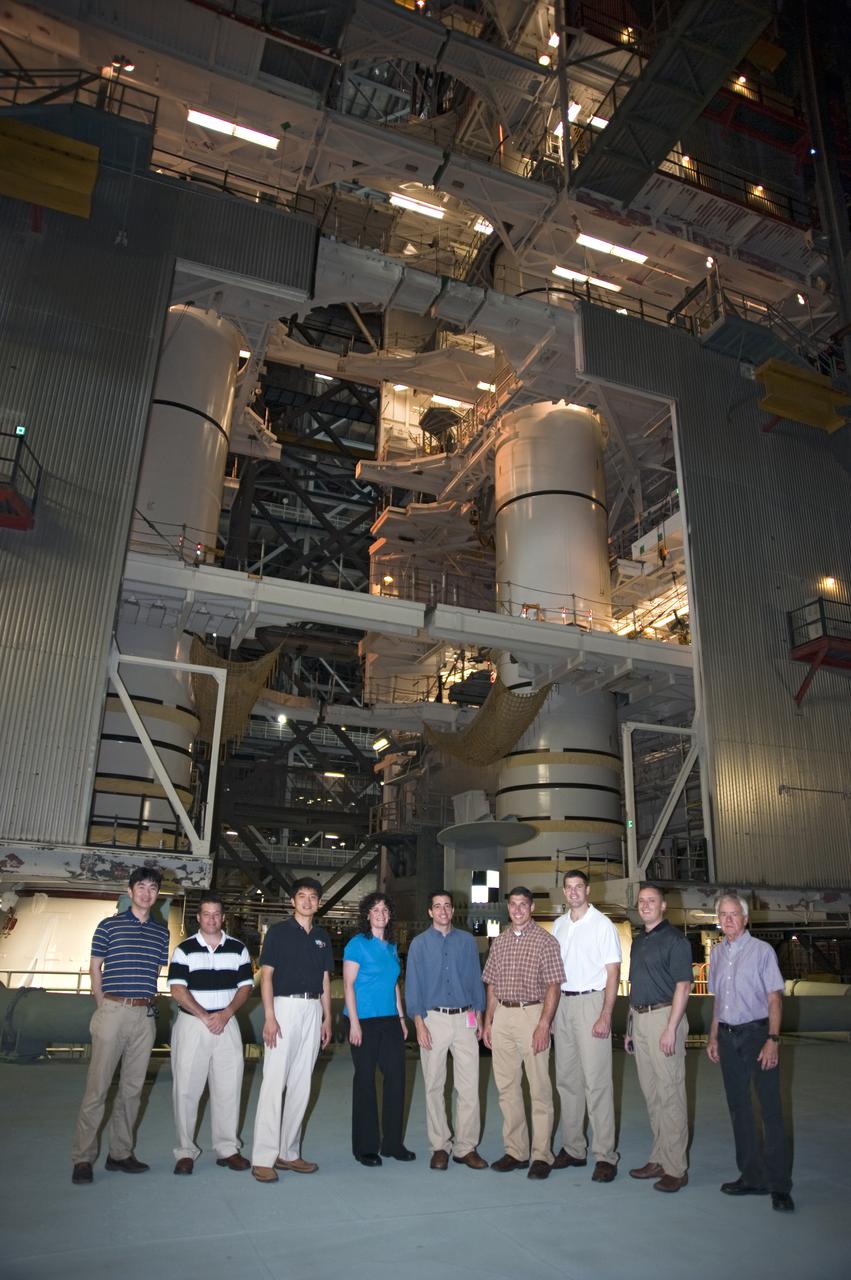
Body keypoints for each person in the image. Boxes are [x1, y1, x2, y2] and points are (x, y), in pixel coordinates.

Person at [71, 866, 170, 1185]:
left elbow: (154, 971)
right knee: (97, 1089)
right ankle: (83, 1158)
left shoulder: (161, 932)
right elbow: (95, 968)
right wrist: (104, 1008)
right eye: (141, 887)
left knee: (132, 1090)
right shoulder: (108, 926)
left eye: (152, 888)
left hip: (145, 1016)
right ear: (130, 892)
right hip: (113, 1010)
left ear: (157, 895)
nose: (146, 892)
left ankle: (120, 1153)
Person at [706, 891, 794, 1212]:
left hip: (758, 1035)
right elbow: (719, 1001)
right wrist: (713, 1036)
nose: (728, 920)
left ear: (745, 919)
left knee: (770, 1109)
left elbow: (774, 999)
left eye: (734, 914)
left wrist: (773, 1038)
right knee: (738, 1108)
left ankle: (780, 1186)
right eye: (723, 915)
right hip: (728, 1038)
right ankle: (752, 1176)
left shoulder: (762, 952)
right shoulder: (716, 954)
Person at [250, 877, 333, 1184]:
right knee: (274, 1083)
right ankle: (263, 1157)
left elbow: (325, 980)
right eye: (302, 896)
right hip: (284, 1008)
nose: (308, 901)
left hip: (313, 1010)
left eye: (313, 896)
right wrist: (270, 1017)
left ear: (318, 902)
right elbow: (267, 976)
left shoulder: (323, 937)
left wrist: (327, 1018)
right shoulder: (278, 933)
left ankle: (289, 1152)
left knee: (302, 1083)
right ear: (292, 901)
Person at [167, 892, 254, 1175]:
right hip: (194, 1025)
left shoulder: (239, 949)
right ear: (198, 917)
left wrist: (226, 1014)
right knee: (186, 1089)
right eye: (206, 914)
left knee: (229, 1088)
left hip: (227, 1024)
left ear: (223, 917)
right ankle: (185, 1151)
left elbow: (245, 987)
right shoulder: (184, 950)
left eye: (217, 914)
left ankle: (227, 1148)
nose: (212, 919)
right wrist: (205, 1016)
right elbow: (177, 989)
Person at [482, 886, 565, 1180]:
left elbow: (553, 985)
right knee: (507, 1087)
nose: (517, 909)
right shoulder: (500, 942)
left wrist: (544, 1024)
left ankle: (541, 1154)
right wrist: (489, 1020)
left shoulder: (546, 941)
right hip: (503, 1014)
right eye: (513, 904)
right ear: (508, 908)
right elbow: (491, 982)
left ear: (531, 908)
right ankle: (516, 1150)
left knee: (539, 1088)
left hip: (532, 1013)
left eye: (523, 905)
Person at [405, 890, 487, 1171]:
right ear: (430, 912)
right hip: (433, 1019)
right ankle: (440, 1146)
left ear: (453, 911)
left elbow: (476, 980)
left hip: (465, 1018)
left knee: (468, 1087)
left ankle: (466, 1147)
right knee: (434, 1086)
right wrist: (419, 1023)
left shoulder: (466, 942)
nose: (442, 911)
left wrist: (478, 1017)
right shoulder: (419, 944)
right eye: (437, 906)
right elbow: (413, 985)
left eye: (447, 906)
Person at [551, 869, 622, 1183]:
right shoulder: (559, 925)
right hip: (563, 1004)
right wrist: (551, 1015)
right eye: (569, 887)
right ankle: (573, 1147)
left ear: (588, 890)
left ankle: (605, 1155)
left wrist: (606, 1013)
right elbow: (553, 973)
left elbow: (612, 972)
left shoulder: (602, 925)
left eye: (579, 887)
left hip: (592, 1003)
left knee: (597, 1082)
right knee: (567, 1081)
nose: (574, 892)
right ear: (564, 892)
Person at [624, 883, 693, 1193]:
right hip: (640, 1020)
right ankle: (659, 1157)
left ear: (664, 905)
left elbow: (683, 986)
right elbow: (636, 985)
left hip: (665, 1019)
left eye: (652, 901)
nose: (646, 905)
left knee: (671, 1094)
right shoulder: (639, 942)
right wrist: (629, 1027)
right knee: (652, 1094)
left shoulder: (676, 941)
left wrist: (671, 1028)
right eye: (642, 901)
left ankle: (676, 1168)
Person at [343, 890, 414, 1166]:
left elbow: (394, 984)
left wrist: (400, 1018)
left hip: (389, 1020)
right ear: (367, 915)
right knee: (365, 1081)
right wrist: (355, 1024)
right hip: (363, 1020)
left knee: (396, 1078)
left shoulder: (392, 947)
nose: (381, 915)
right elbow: (348, 985)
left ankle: (393, 1144)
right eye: (375, 910)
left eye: (385, 910)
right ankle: (366, 1147)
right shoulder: (357, 944)